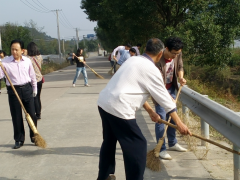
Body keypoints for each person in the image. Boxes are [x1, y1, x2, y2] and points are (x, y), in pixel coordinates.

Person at [97, 38, 191, 180]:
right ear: (160, 53)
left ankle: (105, 176)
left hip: (105, 103)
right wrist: (179, 124)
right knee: (138, 145)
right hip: (119, 107)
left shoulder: (132, 60)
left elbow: (135, 89)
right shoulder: (151, 69)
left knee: (109, 141)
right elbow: (165, 100)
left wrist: (151, 111)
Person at [153, 37, 187, 160]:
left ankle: (172, 143)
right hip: (159, 91)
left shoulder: (177, 54)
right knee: (162, 118)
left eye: (178, 53)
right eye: (173, 53)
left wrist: (181, 78)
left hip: (171, 88)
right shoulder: (157, 59)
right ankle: (161, 149)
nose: (175, 56)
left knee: (173, 117)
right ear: (166, 49)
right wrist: (168, 100)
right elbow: (158, 84)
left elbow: (180, 67)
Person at [0, 39, 38, 149]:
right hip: (13, 90)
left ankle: (34, 136)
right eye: (12, 49)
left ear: (22, 50)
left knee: (32, 114)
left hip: (26, 88)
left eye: (16, 50)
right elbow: (0, 75)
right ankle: (19, 139)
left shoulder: (27, 61)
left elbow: (32, 76)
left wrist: (34, 89)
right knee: (16, 116)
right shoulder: (5, 62)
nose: (14, 52)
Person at [26, 42, 44, 120]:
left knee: (33, 98)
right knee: (38, 97)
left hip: (32, 80)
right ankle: (39, 113)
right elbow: (41, 64)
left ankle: (35, 113)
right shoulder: (40, 57)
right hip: (39, 79)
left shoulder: (28, 59)